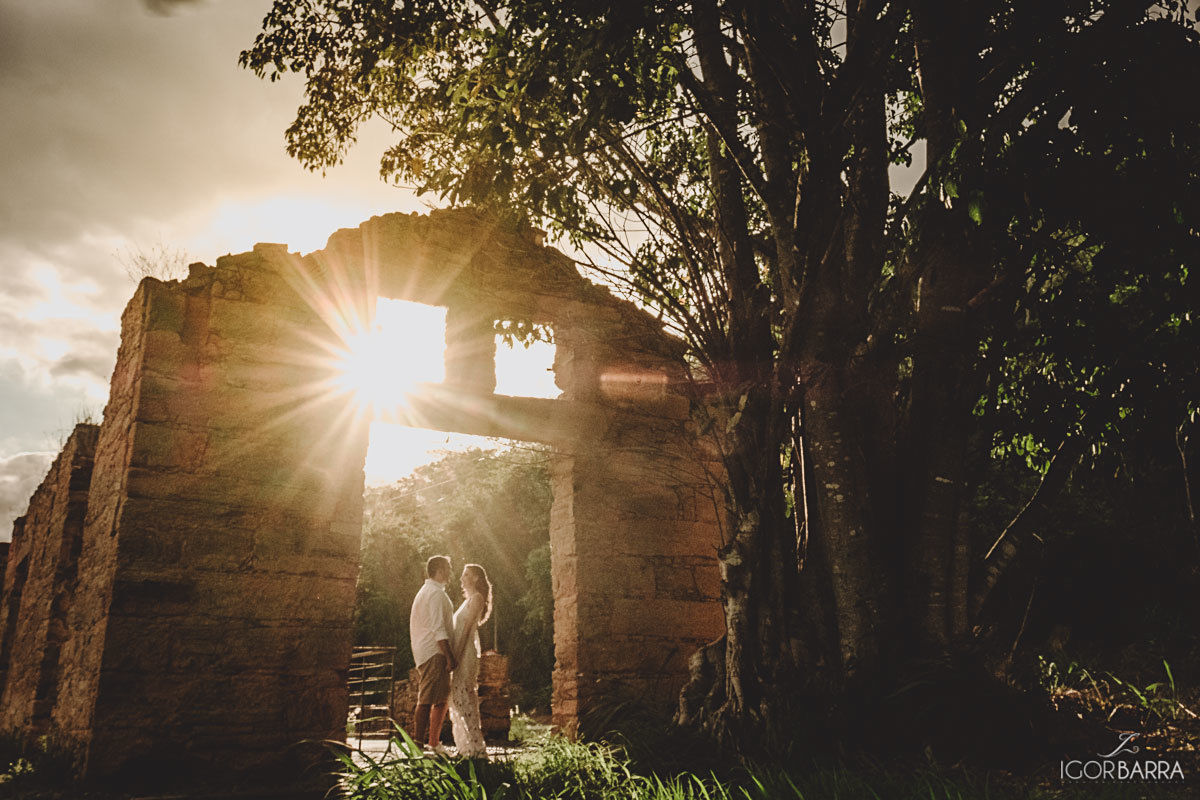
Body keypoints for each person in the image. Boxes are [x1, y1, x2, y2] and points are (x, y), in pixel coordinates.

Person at [409, 555, 457, 755]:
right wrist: (449, 656)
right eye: (448, 568)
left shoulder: (427, 591)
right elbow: (438, 628)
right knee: (427, 698)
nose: (450, 572)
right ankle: (418, 746)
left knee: (441, 698)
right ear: (439, 569)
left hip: (428, 651)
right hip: (434, 652)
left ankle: (433, 742)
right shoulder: (435, 594)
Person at [449, 563, 492, 758]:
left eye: (466, 574)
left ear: (475, 578)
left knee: (464, 697)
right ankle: (467, 746)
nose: (461, 578)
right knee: (460, 698)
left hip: (465, 653)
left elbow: (466, 630)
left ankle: (475, 746)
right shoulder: (468, 600)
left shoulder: (477, 598)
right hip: (461, 650)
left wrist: (455, 656)